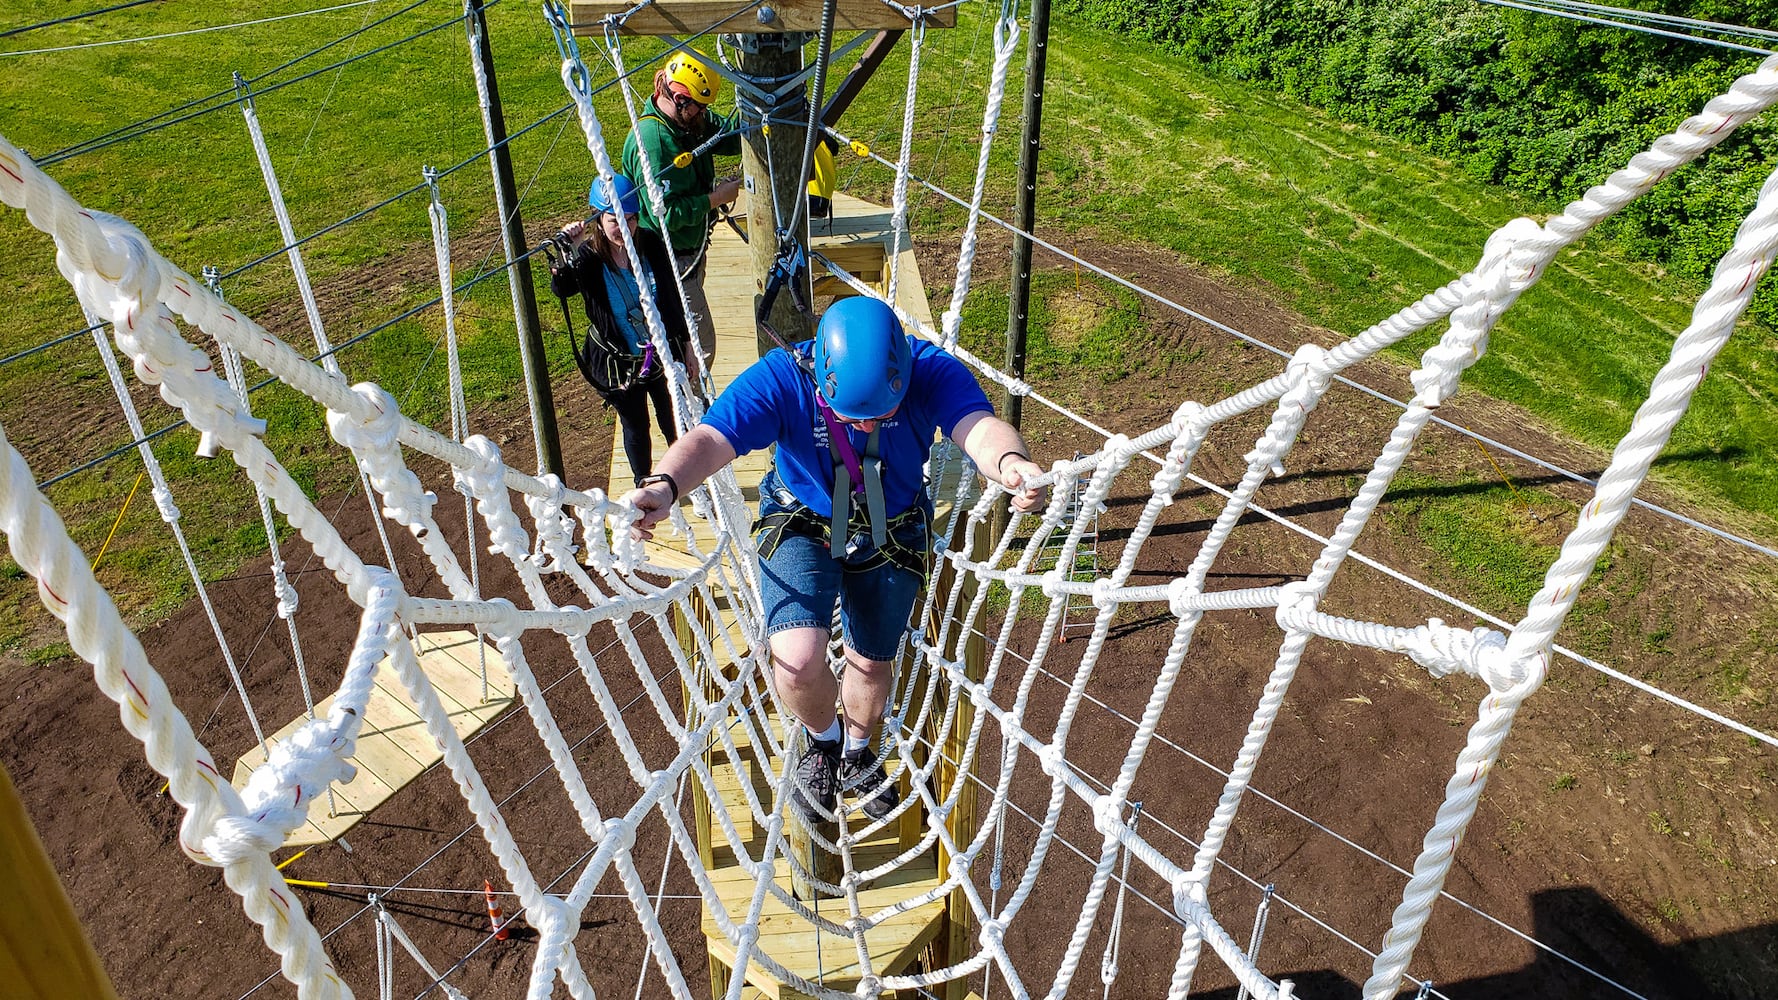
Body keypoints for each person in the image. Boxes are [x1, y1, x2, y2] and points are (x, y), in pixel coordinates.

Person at [622, 296, 1046, 824]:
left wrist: (1009, 463)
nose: (866, 429)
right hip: (804, 519)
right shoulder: (784, 378)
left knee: (871, 660)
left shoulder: (930, 369)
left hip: (890, 526)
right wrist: (666, 483)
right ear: (822, 381)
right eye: (853, 417)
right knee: (797, 662)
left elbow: (977, 426)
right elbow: (713, 436)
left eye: (881, 415)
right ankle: (823, 743)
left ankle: (857, 752)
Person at [548, 174, 693, 487]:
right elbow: (562, 287)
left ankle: (684, 480)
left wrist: (688, 345)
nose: (625, 227)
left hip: (660, 353)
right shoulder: (587, 258)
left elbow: (670, 297)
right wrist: (568, 249)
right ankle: (644, 484)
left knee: (674, 417)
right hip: (620, 366)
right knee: (636, 426)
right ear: (599, 219)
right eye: (615, 220)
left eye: (631, 218)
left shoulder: (650, 244)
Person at [621, 49, 743, 385]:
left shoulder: (683, 120)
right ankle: (693, 414)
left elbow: (726, 135)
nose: (704, 115)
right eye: (699, 108)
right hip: (669, 262)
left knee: (689, 344)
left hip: (688, 256)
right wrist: (715, 199)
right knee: (699, 348)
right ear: (677, 97)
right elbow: (668, 215)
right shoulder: (656, 142)